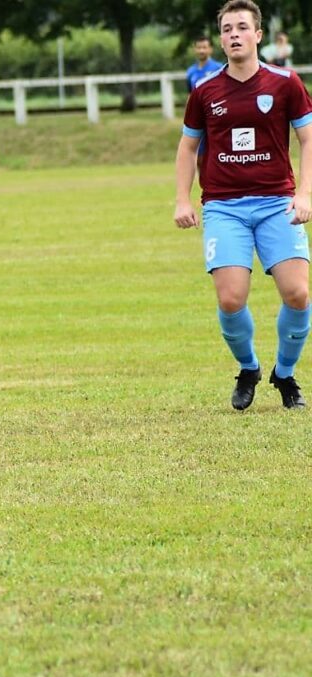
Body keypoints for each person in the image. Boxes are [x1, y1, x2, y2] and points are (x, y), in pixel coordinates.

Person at [174, 0, 312, 410]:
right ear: (221, 39)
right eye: (226, 29)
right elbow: (187, 146)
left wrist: (303, 194)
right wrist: (182, 198)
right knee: (231, 299)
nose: (233, 35)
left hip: (276, 203)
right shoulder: (205, 90)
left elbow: (307, 139)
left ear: (258, 35)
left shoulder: (285, 82)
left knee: (299, 293)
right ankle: (249, 367)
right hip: (224, 206)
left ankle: (284, 374)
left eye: (240, 27)